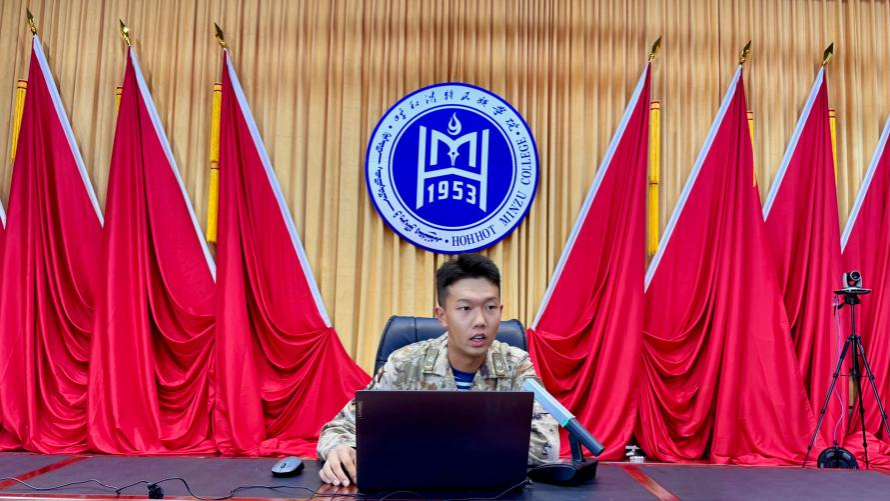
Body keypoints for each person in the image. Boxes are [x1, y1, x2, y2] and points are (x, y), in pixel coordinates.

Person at [317, 253, 560, 486]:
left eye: (490, 307)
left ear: (500, 311)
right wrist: (340, 449)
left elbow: (546, 447)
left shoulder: (516, 365)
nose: (480, 321)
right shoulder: (405, 364)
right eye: (465, 308)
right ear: (442, 316)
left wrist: (427, 448)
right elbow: (340, 427)